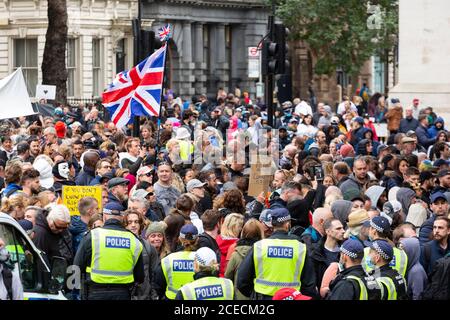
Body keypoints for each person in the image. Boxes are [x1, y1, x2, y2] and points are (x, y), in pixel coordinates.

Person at [237, 208, 318, 300]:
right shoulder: (300, 248)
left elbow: (242, 280)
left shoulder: (259, 246)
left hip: (263, 297)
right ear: (288, 225)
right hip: (292, 297)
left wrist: (254, 295)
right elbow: (309, 283)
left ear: (272, 224)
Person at [73, 202, 144, 300]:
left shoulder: (93, 236)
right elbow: (140, 276)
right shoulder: (134, 240)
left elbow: (76, 266)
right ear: (123, 218)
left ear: (104, 217)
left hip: (95, 292)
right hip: (123, 293)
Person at [154, 224, 198, 300]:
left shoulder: (167, 259)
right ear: (197, 239)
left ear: (179, 239)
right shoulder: (202, 259)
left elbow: (158, 285)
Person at [224, 218, 264, 300]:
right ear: (260, 234)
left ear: (243, 232)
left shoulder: (235, 254)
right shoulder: (263, 254)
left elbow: (227, 276)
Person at [123, 210, 158, 300]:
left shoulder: (149, 247)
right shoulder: (119, 245)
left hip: (144, 295)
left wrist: (153, 296)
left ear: (140, 224)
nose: (133, 225)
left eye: (136, 222)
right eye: (129, 222)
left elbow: (153, 275)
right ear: (124, 225)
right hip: (124, 293)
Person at [311, 218, 345, 288]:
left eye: (342, 228)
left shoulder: (345, 251)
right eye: (338, 229)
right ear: (328, 231)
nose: (343, 231)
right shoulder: (315, 251)